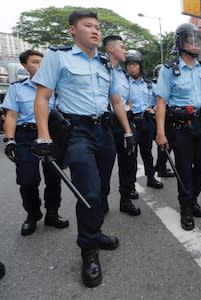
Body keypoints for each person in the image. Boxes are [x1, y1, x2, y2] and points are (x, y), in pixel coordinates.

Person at [32, 10, 135, 287]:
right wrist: (43, 137)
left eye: (98, 27)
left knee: (101, 190)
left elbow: (115, 101)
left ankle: (95, 230)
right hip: (77, 133)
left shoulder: (105, 62)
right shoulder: (58, 56)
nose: (95, 31)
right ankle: (88, 251)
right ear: (72, 30)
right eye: (88, 26)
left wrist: (127, 131)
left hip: (104, 131)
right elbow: (42, 97)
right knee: (87, 191)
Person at [155, 23, 201, 231]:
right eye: (191, 40)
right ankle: (186, 208)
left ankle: (192, 199)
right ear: (181, 42)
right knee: (184, 170)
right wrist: (160, 133)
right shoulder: (168, 69)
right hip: (181, 127)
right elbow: (161, 102)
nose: (196, 44)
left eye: (198, 40)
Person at [2, 49, 69, 236]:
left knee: (54, 177)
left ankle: (53, 214)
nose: (40, 65)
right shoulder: (16, 88)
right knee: (27, 180)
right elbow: (12, 116)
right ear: (25, 65)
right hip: (26, 137)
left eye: (42, 61)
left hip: (51, 134)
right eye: (35, 61)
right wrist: (9, 140)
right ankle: (33, 214)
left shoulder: (56, 88)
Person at [102, 35, 140, 216]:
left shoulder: (123, 74)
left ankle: (126, 199)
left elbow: (126, 99)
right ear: (111, 49)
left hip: (125, 120)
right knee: (105, 166)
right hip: (106, 122)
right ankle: (102, 200)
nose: (125, 51)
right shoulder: (100, 69)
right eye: (122, 47)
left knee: (129, 163)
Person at [125, 50, 164, 190]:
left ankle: (151, 178)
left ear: (140, 66)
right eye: (129, 64)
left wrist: (153, 109)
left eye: (134, 64)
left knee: (147, 152)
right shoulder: (124, 83)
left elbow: (160, 101)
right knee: (131, 156)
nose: (131, 67)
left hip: (146, 122)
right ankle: (130, 186)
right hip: (132, 123)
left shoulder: (149, 84)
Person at [152, 64, 175, 178]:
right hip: (161, 117)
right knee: (164, 144)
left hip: (170, 116)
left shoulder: (168, 83)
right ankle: (160, 167)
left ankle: (160, 166)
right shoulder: (155, 85)